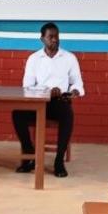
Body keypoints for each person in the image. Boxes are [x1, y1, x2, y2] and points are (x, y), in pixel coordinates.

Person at [13, 22, 84, 178]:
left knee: (68, 115)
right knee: (17, 114)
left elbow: (77, 82)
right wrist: (46, 92)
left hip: (59, 102)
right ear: (42, 39)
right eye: (50, 37)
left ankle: (59, 161)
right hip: (38, 101)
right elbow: (27, 87)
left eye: (56, 36)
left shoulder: (69, 58)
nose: (54, 40)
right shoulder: (34, 58)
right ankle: (29, 154)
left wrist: (74, 91)